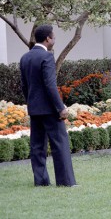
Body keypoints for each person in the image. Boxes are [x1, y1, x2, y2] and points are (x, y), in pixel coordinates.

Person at [20, 25, 76, 187]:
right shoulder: (47, 57)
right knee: (60, 144)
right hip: (50, 109)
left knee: (37, 146)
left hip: (34, 108)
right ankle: (66, 181)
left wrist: (30, 102)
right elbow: (50, 85)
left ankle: (41, 181)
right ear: (47, 39)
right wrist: (60, 107)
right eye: (53, 38)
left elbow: (24, 86)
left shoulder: (25, 58)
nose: (54, 40)